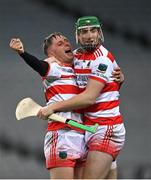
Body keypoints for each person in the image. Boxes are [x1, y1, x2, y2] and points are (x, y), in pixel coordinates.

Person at [37, 16, 126, 179]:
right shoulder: (76, 56)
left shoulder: (102, 59)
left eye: (93, 31)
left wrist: (52, 107)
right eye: (84, 32)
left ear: (100, 33)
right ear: (77, 36)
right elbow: (56, 66)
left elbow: (89, 98)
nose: (89, 35)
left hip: (106, 127)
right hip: (88, 128)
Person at [9, 33, 87, 179]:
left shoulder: (79, 70)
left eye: (66, 41)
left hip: (82, 134)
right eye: (59, 44)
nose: (66, 44)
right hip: (62, 135)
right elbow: (39, 65)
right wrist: (22, 53)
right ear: (51, 54)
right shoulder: (54, 68)